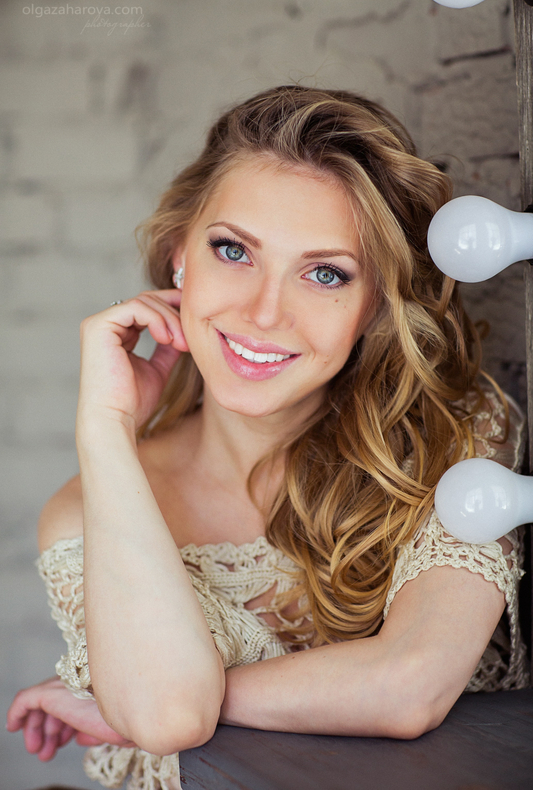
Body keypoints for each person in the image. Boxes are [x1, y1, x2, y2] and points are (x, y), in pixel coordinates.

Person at [7, 85, 528, 790]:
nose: (263, 313)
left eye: (324, 273)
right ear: (178, 257)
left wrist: (127, 700)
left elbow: (408, 686)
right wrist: (104, 427)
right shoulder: (89, 510)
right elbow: (167, 715)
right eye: (233, 250)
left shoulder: (452, 436)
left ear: (375, 304)